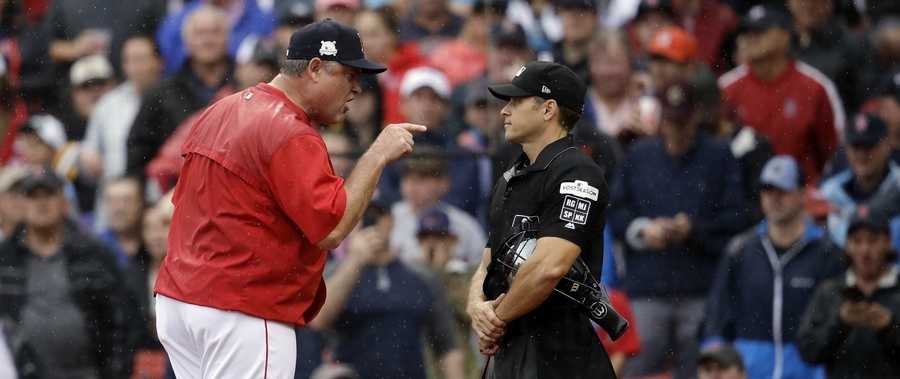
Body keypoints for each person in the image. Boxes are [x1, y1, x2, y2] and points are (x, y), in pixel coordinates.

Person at [153, 20, 426, 378]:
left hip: (180, 303)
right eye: (349, 75)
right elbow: (331, 228)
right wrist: (375, 156)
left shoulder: (222, 109)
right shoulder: (290, 130)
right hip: (240, 308)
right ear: (314, 68)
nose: (358, 88)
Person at [467, 60, 615, 378]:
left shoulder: (578, 173)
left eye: (516, 102)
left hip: (561, 355)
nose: (504, 111)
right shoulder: (512, 176)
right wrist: (476, 305)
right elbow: (488, 260)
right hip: (512, 350)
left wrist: (496, 320)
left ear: (548, 109)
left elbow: (549, 269)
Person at [609, 82, 747, 379]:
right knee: (639, 367)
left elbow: (737, 217)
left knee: (698, 370)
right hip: (648, 287)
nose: (676, 129)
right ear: (661, 119)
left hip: (700, 287)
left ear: (695, 116)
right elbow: (616, 213)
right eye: (671, 121)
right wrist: (643, 230)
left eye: (682, 121)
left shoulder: (718, 156)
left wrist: (693, 229)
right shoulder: (639, 155)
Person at [704, 156, 843, 379]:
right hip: (749, 371)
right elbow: (717, 314)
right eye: (767, 190)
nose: (774, 199)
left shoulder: (827, 252)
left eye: (782, 191)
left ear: (801, 194)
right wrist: (717, 360)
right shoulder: (740, 250)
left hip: (807, 371)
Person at [0, 171, 140, 378]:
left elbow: (123, 317)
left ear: (64, 202)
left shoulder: (94, 253)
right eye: (33, 196)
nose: (41, 203)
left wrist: (117, 371)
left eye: (49, 194)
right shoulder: (5, 258)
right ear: (21, 204)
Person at [308, 201, 466, 379]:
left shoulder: (420, 276)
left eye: (375, 216)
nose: (369, 222)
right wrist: (355, 260)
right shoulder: (335, 272)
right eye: (360, 216)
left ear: (390, 221)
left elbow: (447, 345)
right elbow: (318, 320)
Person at [719, 5, 843, 183]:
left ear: (785, 36)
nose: (750, 39)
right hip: (743, 199)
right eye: (745, 32)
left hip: (800, 199)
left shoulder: (816, 87)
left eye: (760, 31)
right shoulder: (726, 88)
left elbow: (833, 155)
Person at [797, 207, 900, 378]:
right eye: (857, 241)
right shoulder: (829, 291)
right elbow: (809, 352)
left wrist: (889, 328)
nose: (865, 251)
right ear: (847, 246)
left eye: (873, 241)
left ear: (888, 243)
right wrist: (840, 323)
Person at [820, 113, 900, 248]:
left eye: (869, 146)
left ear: (887, 145)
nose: (862, 154)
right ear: (846, 149)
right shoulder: (829, 192)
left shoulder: (898, 185)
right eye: (856, 147)